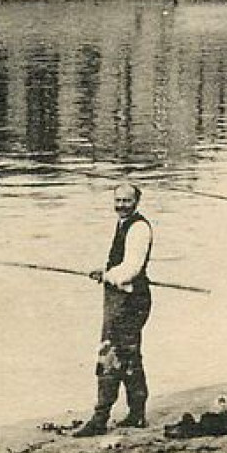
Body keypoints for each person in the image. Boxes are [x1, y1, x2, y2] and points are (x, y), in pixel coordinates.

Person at [73, 182, 155, 437]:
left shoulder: (139, 228)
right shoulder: (123, 224)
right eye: (118, 200)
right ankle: (136, 414)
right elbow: (121, 264)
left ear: (136, 202)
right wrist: (104, 272)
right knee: (129, 356)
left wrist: (109, 276)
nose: (121, 205)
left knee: (110, 355)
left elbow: (131, 269)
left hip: (130, 301)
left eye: (126, 201)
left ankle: (100, 418)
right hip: (122, 297)